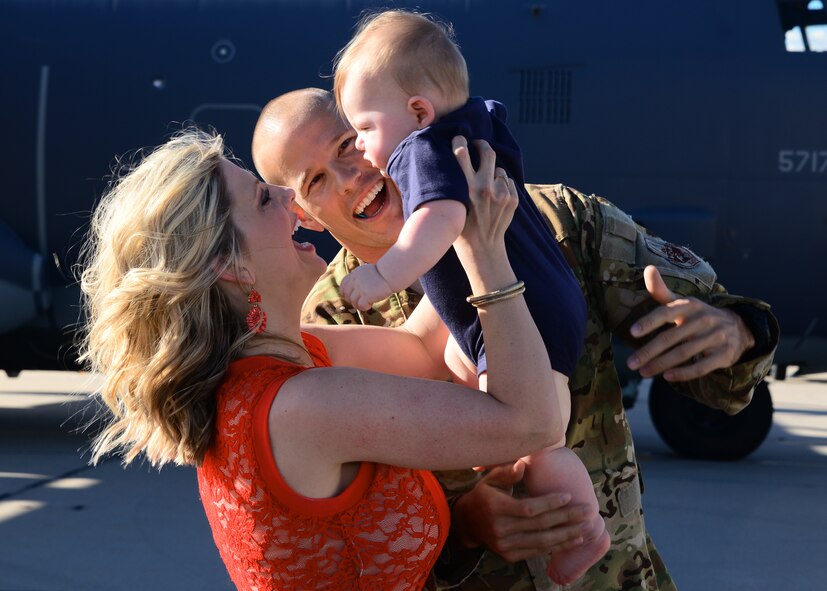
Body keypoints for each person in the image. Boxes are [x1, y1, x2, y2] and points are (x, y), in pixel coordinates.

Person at [251, 88, 779, 591]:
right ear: (302, 215)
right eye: (316, 180)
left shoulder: (544, 223)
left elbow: (724, 374)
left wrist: (736, 335)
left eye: (348, 145)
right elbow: (352, 547)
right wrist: (463, 528)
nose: (349, 176)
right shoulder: (327, 327)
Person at [79, 129, 591, 591]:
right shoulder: (301, 405)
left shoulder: (283, 367)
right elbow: (532, 423)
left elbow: (421, 347)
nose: (288, 197)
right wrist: (486, 254)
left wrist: (444, 210)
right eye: (263, 199)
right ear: (230, 265)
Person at [332, 10, 608, 585]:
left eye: (361, 127)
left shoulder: (421, 148)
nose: (360, 148)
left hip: (523, 315)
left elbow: (441, 216)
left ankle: (588, 532)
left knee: (544, 438)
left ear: (416, 111)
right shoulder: (472, 128)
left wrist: (385, 275)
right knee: (471, 373)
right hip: (543, 301)